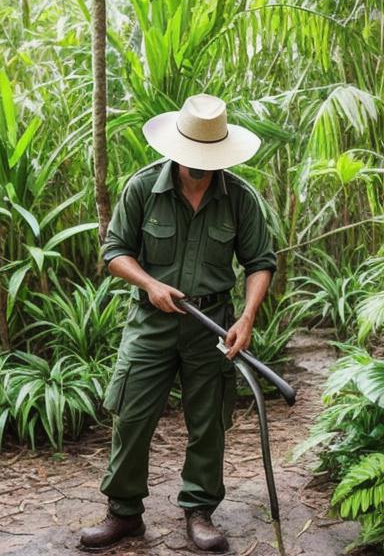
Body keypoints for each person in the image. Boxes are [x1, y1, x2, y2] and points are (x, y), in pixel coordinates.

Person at [80, 94, 277, 552]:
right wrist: (150, 283)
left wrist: (246, 318)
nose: (200, 166)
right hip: (152, 321)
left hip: (213, 322)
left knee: (208, 421)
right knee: (132, 414)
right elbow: (115, 252)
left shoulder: (239, 198)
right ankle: (124, 513)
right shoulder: (142, 188)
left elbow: (260, 263)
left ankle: (199, 510)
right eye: (193, 157)